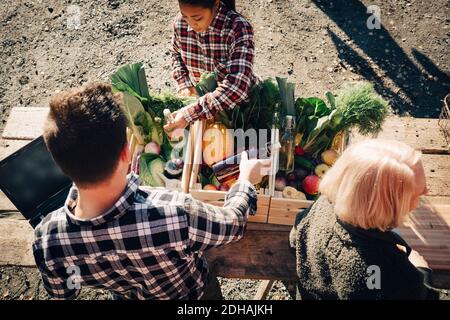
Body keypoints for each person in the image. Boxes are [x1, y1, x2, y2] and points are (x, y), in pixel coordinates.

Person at [32, 82, 271, 300]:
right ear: (127, 153)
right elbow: (233, 224)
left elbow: (65, 293)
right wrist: (245, 180)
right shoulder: (176, 214)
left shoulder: (48, 241)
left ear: (61, 165)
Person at [289, 139, 439, 300]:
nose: (427, 192)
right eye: (418, 194)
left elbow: (294, 240)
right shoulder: (388, 272)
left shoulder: (323, 205)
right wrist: (422, 271)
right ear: (385, 207)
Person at [164, 0, 259, 133]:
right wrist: (184, 84)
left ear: (216, 4)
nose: (191, 23)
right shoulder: (180, 24)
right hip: (204, 109)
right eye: (185, 16)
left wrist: (189, 114)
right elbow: (175, 53)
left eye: (197, 18)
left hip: (243, 110)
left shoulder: (238, 28)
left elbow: (236, 87)